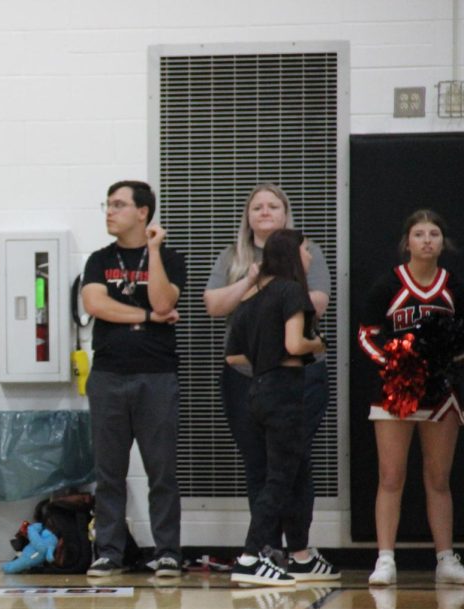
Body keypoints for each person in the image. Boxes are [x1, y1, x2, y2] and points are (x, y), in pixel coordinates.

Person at [204, 184, 331, 557]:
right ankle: (264, 549)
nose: (264, 212)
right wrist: (254, 278)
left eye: (272, 206)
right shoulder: (233, 256)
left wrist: (274, 282)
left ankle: (300, 550)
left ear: (285, 213)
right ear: (247, 216)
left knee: (295, 461)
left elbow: (317, 304)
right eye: (256, 206)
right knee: (258, 462)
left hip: (299, 376)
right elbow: (214, 304)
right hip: (248, 375)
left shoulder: (308, 252)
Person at [81, 180, 186, 579]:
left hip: (157, 376)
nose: (110, 211)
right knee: (108, 471)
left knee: (162, 470)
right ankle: (109, 551)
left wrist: (153, 251)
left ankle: (168, 552)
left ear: (143, 212)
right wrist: (146, 317)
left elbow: (163, 300)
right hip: (108, 375)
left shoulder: (171, 258)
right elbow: (95, 303)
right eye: (107, 204)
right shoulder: (98, 259)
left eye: (119, 205)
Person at [225, 229, 338, 585]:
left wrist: (264, 356)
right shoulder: (292, 291)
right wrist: (317, 344)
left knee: (299, 473)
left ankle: (301, 556)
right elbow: (294, 343)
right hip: (286, 393)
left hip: (257, 391)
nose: (309, 257)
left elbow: (232, 356)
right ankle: (249, 557)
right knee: (280, 478)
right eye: (305, 251)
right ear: (292, 254)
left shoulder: (251, 297)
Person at [357, 209, 464, 586]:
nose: (427, 241)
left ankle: (445, 557)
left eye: (434, 234)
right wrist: (397, 361)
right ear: (407, 242)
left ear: (442, 242)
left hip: (440, 393)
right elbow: (367, 334)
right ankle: (385, 558)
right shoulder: (388, 284)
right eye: (419, 234)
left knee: (438, 477)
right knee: (390, 475)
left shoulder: (454, 286)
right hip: (395, 391)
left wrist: (447, 357)